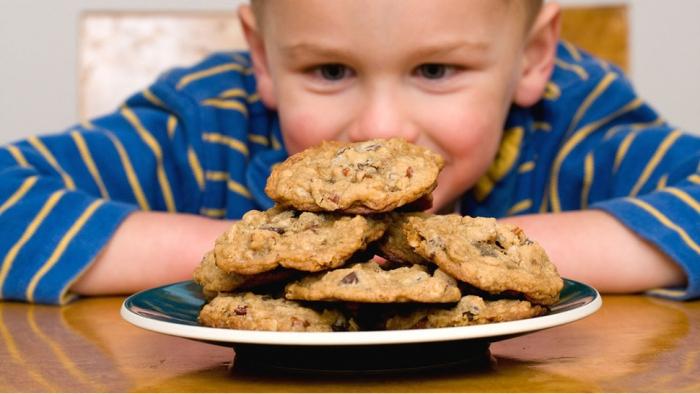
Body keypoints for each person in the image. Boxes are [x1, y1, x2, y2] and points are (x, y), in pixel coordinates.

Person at [0, 0, 697, 304]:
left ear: (531, 57)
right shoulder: (205, 125)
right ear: (262, 59)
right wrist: (252, 257)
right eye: (330, 72)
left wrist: (482, 257)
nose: (380, 129)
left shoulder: (571, 125)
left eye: (435, 71)